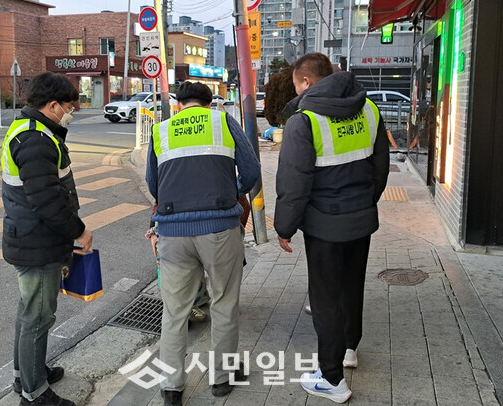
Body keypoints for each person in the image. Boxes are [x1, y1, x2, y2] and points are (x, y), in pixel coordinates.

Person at [274, 53, 389, 404]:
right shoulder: (369, 110)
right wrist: (365, 202)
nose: (297, 91)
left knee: (325, 299)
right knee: (352, 287)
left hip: (324, 225)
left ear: (307, 82)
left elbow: (294, 183)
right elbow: (380, 167)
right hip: (361, 219)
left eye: (296, 85)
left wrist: (284, 227)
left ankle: (331, 378)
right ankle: (349, 348)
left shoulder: (304, 121)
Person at [146, 81, 261, 406]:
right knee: (224, 303)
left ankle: (171, 387)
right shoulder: (223, 121)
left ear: (179, 105)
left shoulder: (161, 130)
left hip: (173, 232)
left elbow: (154, 185)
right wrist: (230, 191)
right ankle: (222, 379)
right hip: (220, 229)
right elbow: (251, 170)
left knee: (175, 311)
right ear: (209, 104)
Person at [1, 72, 93, 406]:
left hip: (31, 238)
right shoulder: (36, 139)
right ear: (53, 105)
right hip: (37, 243)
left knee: (29, 314)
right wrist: (79, 231)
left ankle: (25, 374)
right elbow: (47, 200)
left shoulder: (32, 130)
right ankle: (34, 394)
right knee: (37, 319)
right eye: (69, 106)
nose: (72, 112)